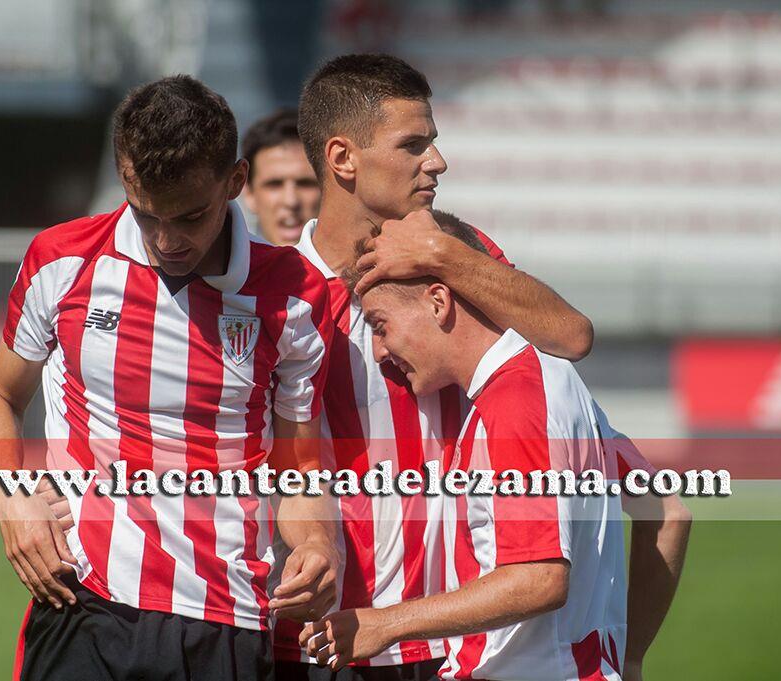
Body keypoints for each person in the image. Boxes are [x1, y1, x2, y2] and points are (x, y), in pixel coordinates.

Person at [0, 75, 339, 681]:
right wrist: (11, 498)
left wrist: (317, 545)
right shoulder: (62, 261)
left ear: (235, 183)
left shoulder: (296, 296)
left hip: (226, 618)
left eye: (191, 217)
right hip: (84, 600)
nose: (167, 240)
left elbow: (298, 469)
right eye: (147, 215)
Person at [271, 53, 595, 680]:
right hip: (333, 636)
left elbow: (571, 337)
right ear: (344, 159)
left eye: (434, 143)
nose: (437, 162)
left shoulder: (455, 260)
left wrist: (444, 253)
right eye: (413, 144)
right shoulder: (276, 294)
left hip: (457, 637)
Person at [300, 215, 692, 681]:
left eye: (380, 325)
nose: (380, 351)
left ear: (438, 301)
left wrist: (386, 623)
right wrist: (628, 659)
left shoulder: (516, 399)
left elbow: (538, 578)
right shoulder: (552, 381)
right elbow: (666, 513)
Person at [241, 109, 321, 245]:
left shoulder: (364, 262)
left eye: (305, 183)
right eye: (274, 185)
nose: (291, 201)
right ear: (249, 193)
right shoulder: (224, 265)